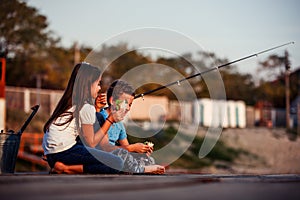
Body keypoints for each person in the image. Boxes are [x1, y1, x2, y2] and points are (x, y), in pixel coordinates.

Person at [42, 62, 124, 174]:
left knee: (98, 118)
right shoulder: (86, 107)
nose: (100, 88)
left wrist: (97, 109)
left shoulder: (69, 103)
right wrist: (110, 120)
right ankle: (66, 169)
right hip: (65, 153)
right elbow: (91, 143)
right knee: (117, 163)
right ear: (88, 84)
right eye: (98, 83)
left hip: (51, 156)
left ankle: (62, 166)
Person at [94, 79, 160, 168]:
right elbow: (105, 148)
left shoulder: (120, 124)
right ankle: (138, 168)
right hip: (103, 155)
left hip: (117, 155)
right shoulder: (100, 117)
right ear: (112, 101)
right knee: (121, 155)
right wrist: (132, 148)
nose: (128, 108)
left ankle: (138, 166)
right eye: (125, 103)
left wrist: (141, 151)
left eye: (130, 104)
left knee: (148, 160)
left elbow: (126, 147)